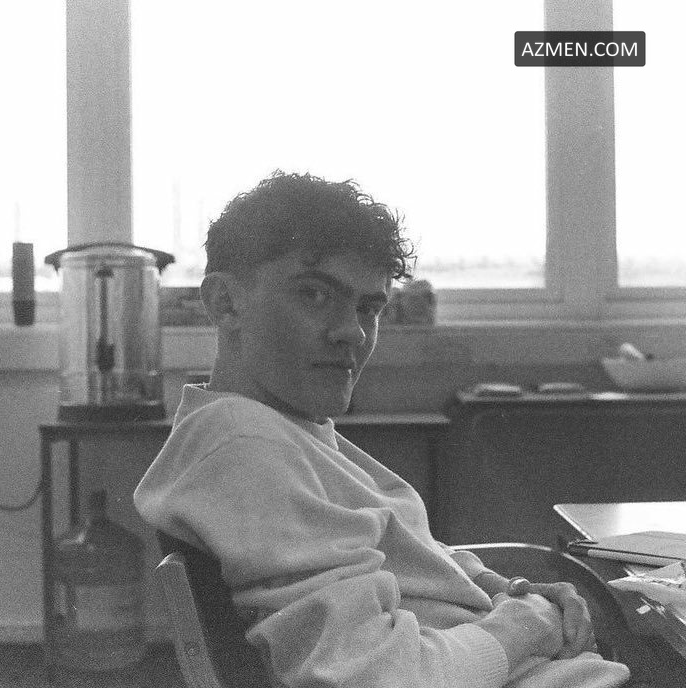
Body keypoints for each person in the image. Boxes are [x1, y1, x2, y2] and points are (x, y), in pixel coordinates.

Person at [134, 172, 631, 687]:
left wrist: (504, 588)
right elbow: (379, 678)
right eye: (314, 294)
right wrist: (528, 624)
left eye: (368, 307)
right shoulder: (246, 444)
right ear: (225, 303)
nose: (352, 332)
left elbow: (400, 560)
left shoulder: (281, 431)